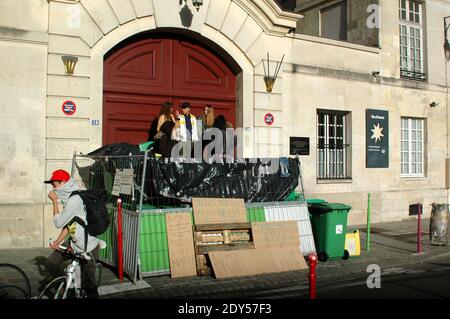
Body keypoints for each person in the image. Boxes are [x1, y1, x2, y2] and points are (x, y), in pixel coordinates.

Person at [44, 169, 105, 299]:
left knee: (90, 287)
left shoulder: (74, 200)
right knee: (51, 262)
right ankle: (68, 285)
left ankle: (79, 289)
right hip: (75, 241)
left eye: (54, 185)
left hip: (87, 247)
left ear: (63, 183)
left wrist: (54, 202)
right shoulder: (70, 197)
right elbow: (70, 223)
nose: (53, 189)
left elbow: (58, 223)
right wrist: (58, 242)